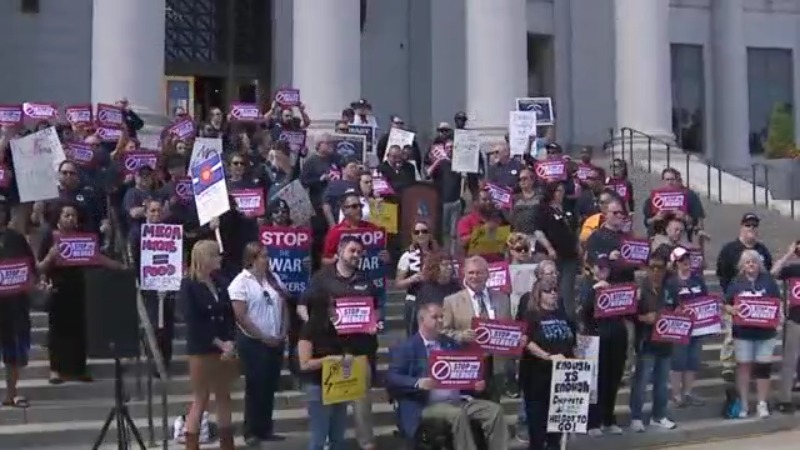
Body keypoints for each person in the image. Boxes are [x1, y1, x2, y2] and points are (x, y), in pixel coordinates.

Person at [386, 302, 507, 450]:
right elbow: (392, 378)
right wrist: (417, 382)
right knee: (457, 414)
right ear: (421, 320)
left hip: (458, 399)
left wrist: (474, 385)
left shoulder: (450, 344)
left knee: (494, 411)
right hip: (426, 403)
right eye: (435, 317)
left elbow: (464, 372)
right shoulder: (407, 347)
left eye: (442, 317)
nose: (440, 320)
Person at [301, 235, 380, 450]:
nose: (357, 255)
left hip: (360, 351)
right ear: (340, 251)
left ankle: (367, 443)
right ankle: (328, 442)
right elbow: (303, 306)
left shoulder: (366, 280)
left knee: (362, 404)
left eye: (360, 252)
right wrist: (316, 329)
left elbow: (376, 310)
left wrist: (375, 323)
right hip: (331, 353)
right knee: (332, 405)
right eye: (352, 251)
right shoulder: (321, 278)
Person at [36, 201, 123, 384]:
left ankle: (79, 369)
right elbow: (40, 267)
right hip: (58, 287)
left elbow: (98, 258)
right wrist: (51, 257)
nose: (70, 218)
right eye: (66, 215)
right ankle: (56, 370)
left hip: (80, 287)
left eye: (73, 215)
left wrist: (120, 267)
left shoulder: (84, 237)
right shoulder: (50, 236)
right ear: (58, 218)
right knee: (58, 331)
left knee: (80, 330)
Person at [178, 240, 238, 450]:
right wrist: (218, 342)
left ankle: (227, 444)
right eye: (215, 255)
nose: (219, 258)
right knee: (201, 398)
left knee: (224, 395)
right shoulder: (189, 285)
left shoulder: (220, 282)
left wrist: (230, 340)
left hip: (223, 349)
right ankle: (192, 444)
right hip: (202, 349)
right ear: (204, 258)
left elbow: (229, 314)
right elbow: (194, 321)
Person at [229, 242, 289, 445]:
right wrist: (263, 337)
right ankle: (251, 430)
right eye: (263, 256)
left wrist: (283, 331)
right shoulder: (241, 282)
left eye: (267, 256)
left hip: (276, 339)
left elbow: (283, 303)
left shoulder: (273, 278)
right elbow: (241, 315)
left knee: (270, 385)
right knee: (255, 386)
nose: (267, 259)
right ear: (252, 259)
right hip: (253, 342)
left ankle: (265, 428)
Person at [518, 270, 576, 450]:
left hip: (561, 382)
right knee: (537, 432)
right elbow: (526, 342)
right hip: (537, 379)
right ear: (539, 293)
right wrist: (549, 357)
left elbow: (573, 341)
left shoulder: (563, 315)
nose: (552, 294)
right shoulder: (531, 315)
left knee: (556, 434)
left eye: (555, 290)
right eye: (548, 290)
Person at [442, 256, 512, 401]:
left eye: (479, 273)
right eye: (471, 273)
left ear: (488, 274)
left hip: (495, 365)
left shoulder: (502, 298)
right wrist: (460, 335)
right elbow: (443, 331)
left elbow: (509, 328)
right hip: (467, 364)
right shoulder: (451, 301)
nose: (475, 277)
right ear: (464, 274)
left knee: (494, 409)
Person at [724, 249, 781, 419]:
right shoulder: (736, 282)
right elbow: (725, 304)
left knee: (763, 369)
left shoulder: (769, 282)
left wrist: (779, 316)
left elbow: (777, 303)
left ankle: (762, 403)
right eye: (748, 262)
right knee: (744, 368)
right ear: (743, 265)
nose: (751, 265)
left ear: (759, 264)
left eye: (754, 262)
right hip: (743, 333)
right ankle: (743, 403)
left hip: (766, 334)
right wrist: (732, 309)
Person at [716, 213, 773, 381]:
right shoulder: (729, 249)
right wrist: (729, 296)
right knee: (731, 335)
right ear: (741, 227)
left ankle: (753, 366)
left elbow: (767, 272)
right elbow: (722, 274)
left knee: (754, 336)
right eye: (748, 225)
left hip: (758, 300)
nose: (752, 228)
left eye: (754, 225)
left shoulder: (762, 250)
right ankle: (727, 366)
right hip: (735, 298)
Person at [577, 254, 628, 436]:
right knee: (594, 382)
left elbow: (628, 308)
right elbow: (581, 312)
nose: (602, 271)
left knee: (613, 380)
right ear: (593, 268)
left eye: (606, 268)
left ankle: (608, 418)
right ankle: (592, 422)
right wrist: (594, 290)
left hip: (616, 338)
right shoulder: (585, 284)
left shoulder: (617, 284)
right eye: (599, 267)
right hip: (592, 339)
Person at [629, 251, 677, 432]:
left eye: (660, 267)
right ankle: (636, 417)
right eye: (653, 267)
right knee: (641, 382)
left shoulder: (669, 289)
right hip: (646, 342)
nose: (656, 271)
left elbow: (677, 309)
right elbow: (630, 315)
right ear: (647, 269)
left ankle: (659, 416)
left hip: (665, 343)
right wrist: (643, 318)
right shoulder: (639, 290)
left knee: (662, 383)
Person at [297, 291, 350, 450]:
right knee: (319, 437)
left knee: (338, 436)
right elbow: (304, 364)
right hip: (317, 387)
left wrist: (346, 358)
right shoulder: (308, 330)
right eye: (333, 305)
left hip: (337, 385)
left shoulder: (336, 328)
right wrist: (328, 361)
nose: (336, 309)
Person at [0, 199, 35, 407]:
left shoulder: (16, 238)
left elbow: (30, 267)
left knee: (12, 352)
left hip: (14, 305)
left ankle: (11, 393)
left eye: (1, 210)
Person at [664, 246, 708, 407]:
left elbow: (706, 299)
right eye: (682, 260)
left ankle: (688, 392)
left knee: (693, 360)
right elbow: (667, 305)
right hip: (679, 327)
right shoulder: (671, 283)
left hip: (698, 326)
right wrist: (675, 310)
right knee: (678, 361)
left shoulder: (697, 279)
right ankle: (676, 395)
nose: (686, 263)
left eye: (687, 260)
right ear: (675, 263)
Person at [533, 182, 580, 318]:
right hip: (550, 255)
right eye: (558, 191)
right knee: (549, 289)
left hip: (569, 255)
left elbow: (575, 227)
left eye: (562, 191)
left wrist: (577, 245)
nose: (561, 193)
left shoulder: (568, 207)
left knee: (567, 291)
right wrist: (549, 248)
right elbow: (538, 230)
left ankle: (569, 320)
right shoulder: (543, 209)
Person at [770, 240, 800, 413]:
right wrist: (789, 254)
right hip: (795, 320)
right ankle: (784, 399)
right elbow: (773, 273)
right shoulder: (793, 269)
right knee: (789, 361)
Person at [396, 220, 438, 336]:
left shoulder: (438, 254)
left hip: (434, 301)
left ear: (430, 234)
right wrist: (412, 279)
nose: (421, 235)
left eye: (424, 231)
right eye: (417, 232)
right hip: (414, 301)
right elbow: (398, 284)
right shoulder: (407, 256)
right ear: (412, 235)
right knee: (413, 336)